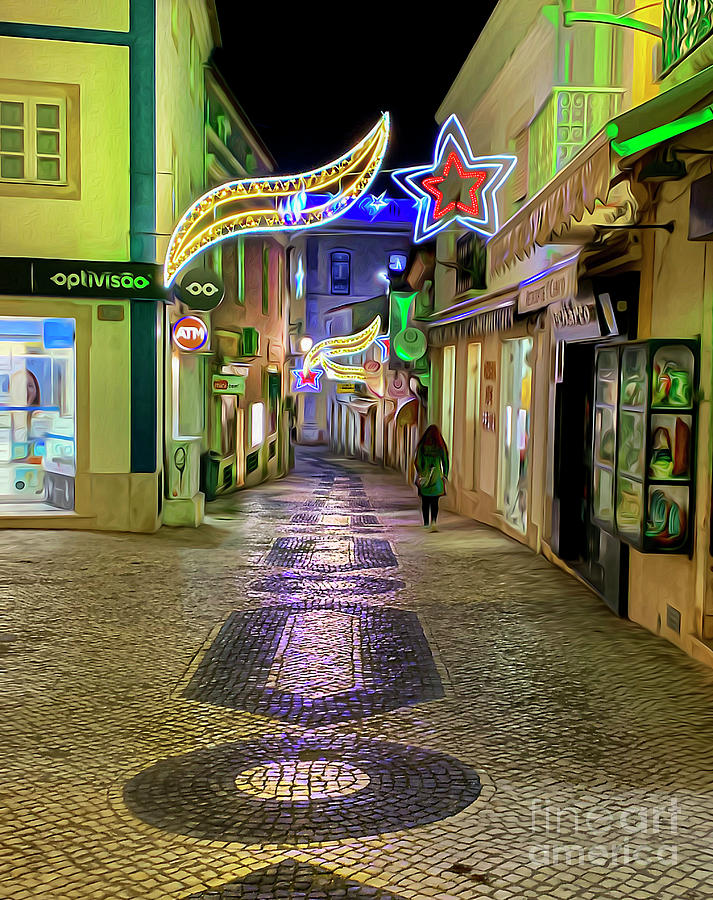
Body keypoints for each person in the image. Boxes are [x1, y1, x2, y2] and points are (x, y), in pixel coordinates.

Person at [413, 424, 449, 532]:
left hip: (425, 477)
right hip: (437, 477)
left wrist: (421, 472)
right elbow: (445, 461)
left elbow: (417, 462)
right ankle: (434, 521)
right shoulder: (440, 446)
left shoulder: (422, 446)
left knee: (425, 501)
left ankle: (426, 523)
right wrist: (445, 474)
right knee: (435, 501)